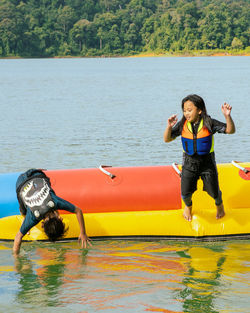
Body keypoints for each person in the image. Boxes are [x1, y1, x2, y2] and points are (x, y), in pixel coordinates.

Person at [163, 94, 235, 221]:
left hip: (207, 163)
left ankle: (219, 205)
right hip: (189, 163)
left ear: (200, 110)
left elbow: (230, 130)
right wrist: (169, 126)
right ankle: (188, 207)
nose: (186, 113)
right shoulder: (182, 125)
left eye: (189, 110)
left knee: (214, 192)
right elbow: (167, 139)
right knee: (185, 193)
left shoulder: (209, 122)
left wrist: (227, 116)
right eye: (184, 110)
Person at [13, 168, 91, 255]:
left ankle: (32, 173)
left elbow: (78, 211)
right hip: (20, 183)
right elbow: (18, 237)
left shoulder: (55, 201)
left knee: (49, 195)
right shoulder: (33, 217)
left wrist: (83, 233)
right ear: (42, 226)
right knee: (24, 211)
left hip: (36, 174)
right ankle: (23, 218)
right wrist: (17, 259)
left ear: (60, 219)